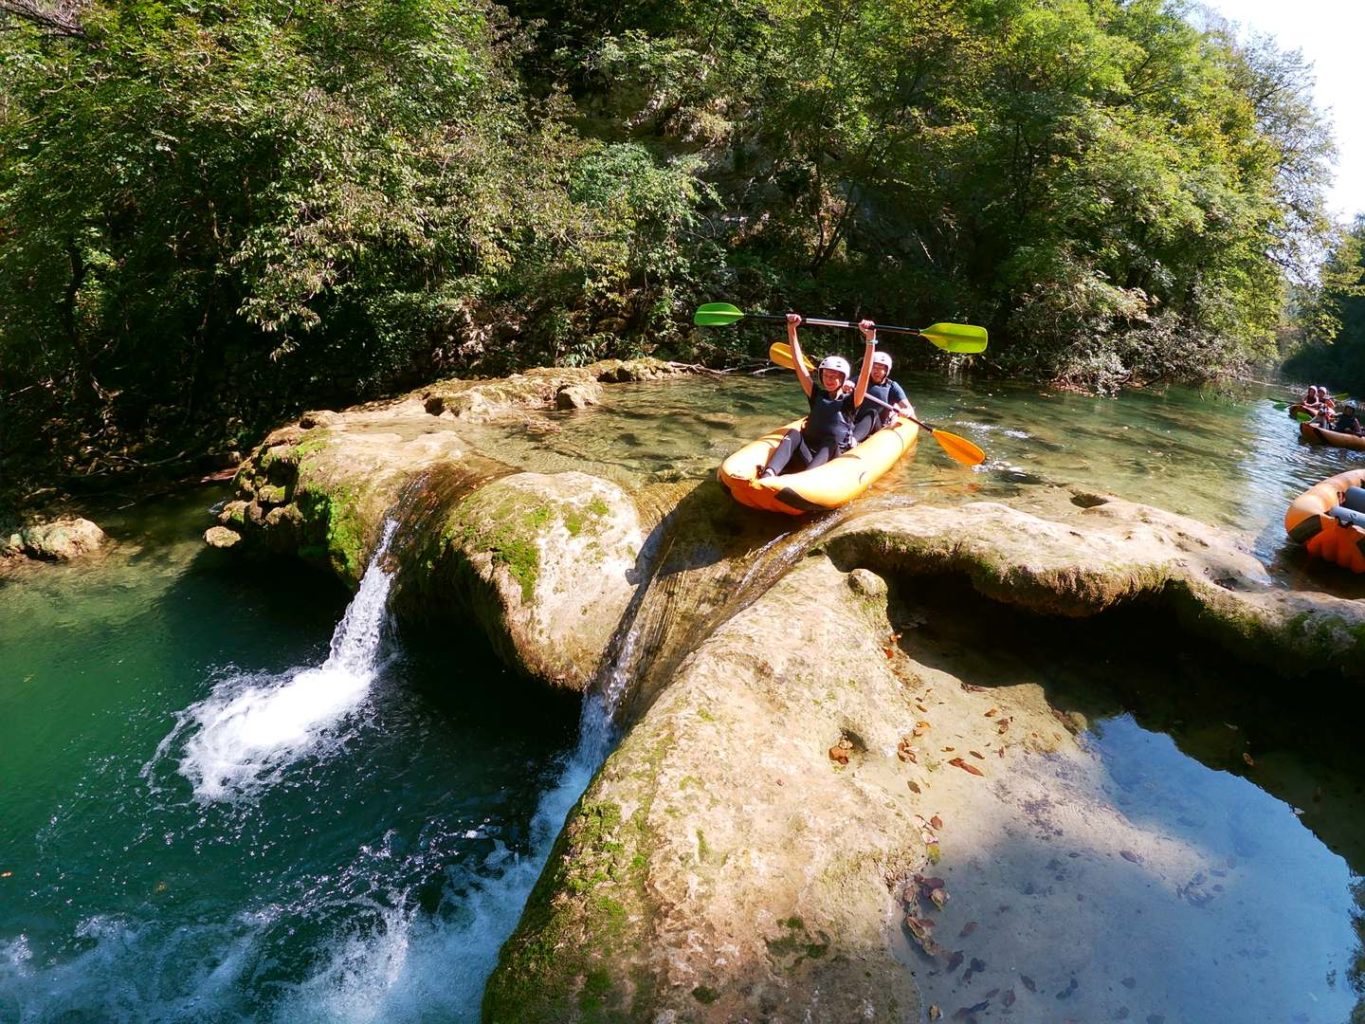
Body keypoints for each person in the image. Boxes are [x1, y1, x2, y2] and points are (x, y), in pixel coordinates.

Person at [758, 314, 875, 478]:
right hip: (808, 454)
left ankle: (804, 479)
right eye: (826, 375)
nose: (830, 380)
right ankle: (769, 474)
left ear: (843, 378)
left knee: (831, 441)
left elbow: (865, 373)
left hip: (831, 458)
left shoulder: (851, 401)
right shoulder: (816, 395)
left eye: (835, 376)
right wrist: (791, 330)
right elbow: (799, 364)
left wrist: (870, 340)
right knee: (793, 433)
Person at [851, 349, 914, 443]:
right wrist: (846, 385)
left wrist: (906, 411)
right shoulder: (859, 381)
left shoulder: (892, 387)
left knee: (872, 413)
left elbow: (909, 408)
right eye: (874, 367)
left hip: (877, 427)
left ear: (887, 371)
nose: (877, 371)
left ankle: (851, 441)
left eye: (881, 368)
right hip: (855, 422)